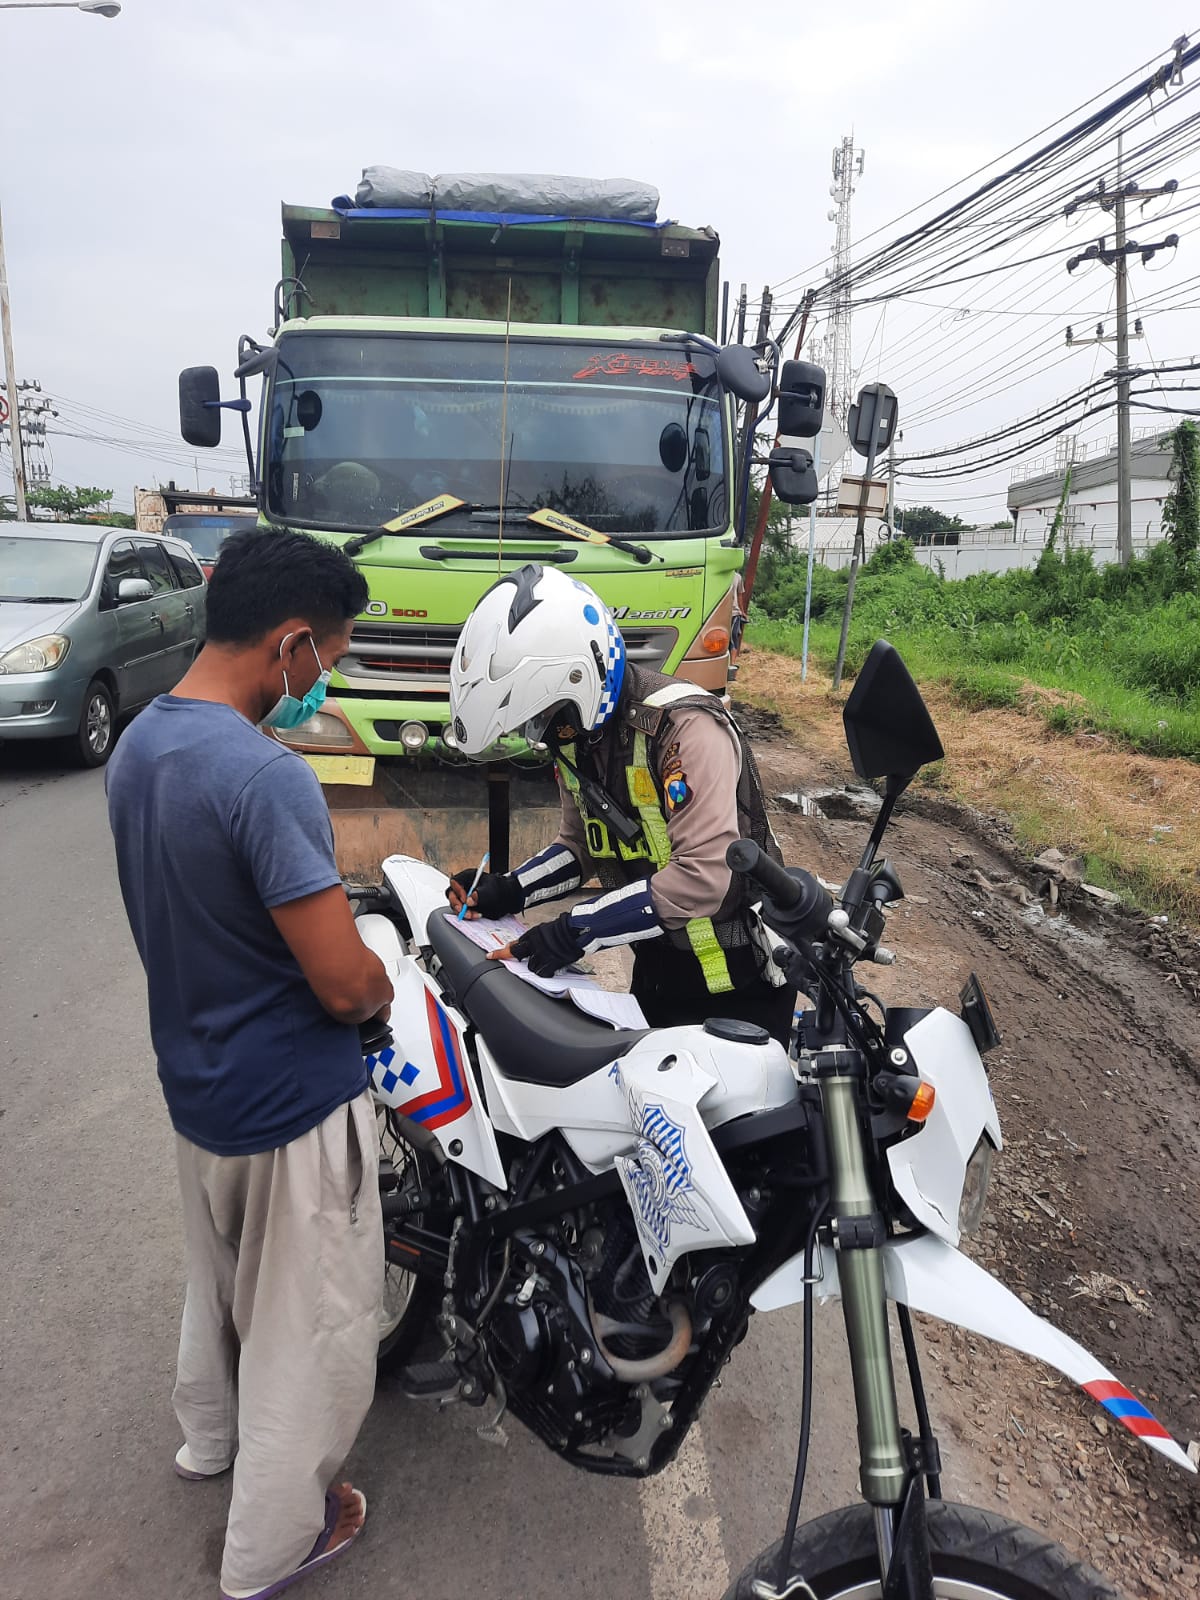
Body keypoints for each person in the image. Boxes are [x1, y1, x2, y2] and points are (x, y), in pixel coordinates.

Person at [105, 528, 393, 1600]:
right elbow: (339, 981)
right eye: (332, 657)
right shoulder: (264, 776)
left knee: (218, 1281)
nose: (328, 679)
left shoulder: (142, 744)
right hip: (291, 1102)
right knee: (302, 1331)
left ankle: (208, 1443)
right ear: (288, 644)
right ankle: (274, 1546)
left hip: (197, 1082)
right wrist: (383, 985)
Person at [446, 563, 793, 1043]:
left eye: (542, 715)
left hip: (737, 991)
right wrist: (510, 890)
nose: (540, 732)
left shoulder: (685, 728)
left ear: (579, 678)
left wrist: (576, 930)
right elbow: (581, 846)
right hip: (655, 979)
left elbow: (704, 878)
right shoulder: (578, 736)